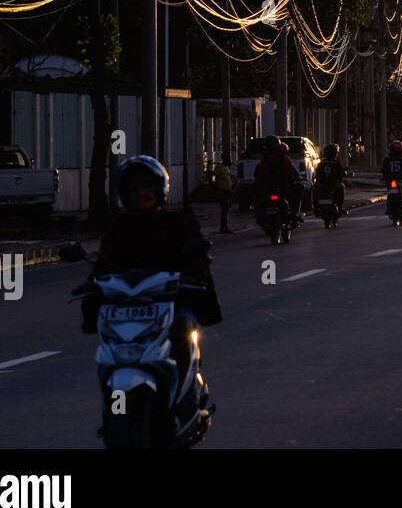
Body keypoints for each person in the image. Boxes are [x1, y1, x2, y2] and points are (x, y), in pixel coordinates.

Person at [78, 155, 223, 379]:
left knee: (182, 330)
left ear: (159, 190)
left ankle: (183, 396)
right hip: (128, 307)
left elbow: (197, 259)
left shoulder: (178, 222)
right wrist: (91, 288)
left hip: (172, 303)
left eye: (146, 188)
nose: (140, 195)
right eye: (133, 189)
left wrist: (191, 272)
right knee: (108, 346)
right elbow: (104, 264)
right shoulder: (118, 228)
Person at [253, 135, 300, 219]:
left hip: (273, 189)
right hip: (276, 188)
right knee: (298, 189)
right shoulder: (282, 159)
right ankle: (294, 213)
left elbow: (256, 174)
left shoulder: (265, 160)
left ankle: (293, 213)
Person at [381, 139, 402, 213]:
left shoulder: (387, 160)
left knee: (389, 192)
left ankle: (388, 208)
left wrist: (384, 177)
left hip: (391, 180)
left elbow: (383, 170)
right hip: (400, 179)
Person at [314, 143, 347, 213]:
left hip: (323, 186)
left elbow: (317, 173)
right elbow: (341, 173)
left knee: (315, 188)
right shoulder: (336, 163)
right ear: (335, 153)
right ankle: (340, 207)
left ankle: (315, 207)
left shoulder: (321, 163)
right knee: (342, 187)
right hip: (333, 185)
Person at [212, 152, 235, 234]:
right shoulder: (219, 167)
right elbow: (213, 175)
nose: (229, 160)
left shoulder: (225, 167)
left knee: (226, 210)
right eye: (227, 158)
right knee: (224, 210)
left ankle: (224, 227)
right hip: (222, 192)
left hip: (227, 192)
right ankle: (223, 227)